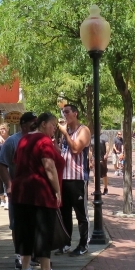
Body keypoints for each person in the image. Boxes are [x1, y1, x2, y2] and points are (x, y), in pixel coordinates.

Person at [13, 113, 66, 270]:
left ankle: (26, 269)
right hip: (41, 192)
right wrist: (57, 191)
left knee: (26, 230)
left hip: (21, 192)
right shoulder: (43, 141)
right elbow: (49, 167)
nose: (54, 129)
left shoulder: (23, 140)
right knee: (44, 231)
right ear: (43, 124)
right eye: (52, 125)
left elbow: (16, 163)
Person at [0, 112, 37, 270]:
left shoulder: (40, 139)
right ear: (23, 125)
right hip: (18, 190)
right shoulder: (12, 142)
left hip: (36, 190)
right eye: (32, 123)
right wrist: (9, 184)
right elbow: (1, 165)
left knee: (34, 223)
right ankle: (19, 256)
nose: (35, 126)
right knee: (17, 224)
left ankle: (31, 254)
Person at [58, 103, 92, 256]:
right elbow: (63, 152)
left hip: (77, 179)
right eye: (63, 112)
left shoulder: (83, 130)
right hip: (64, 178)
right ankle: (65, 242)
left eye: (67, 112)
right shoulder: (66, 132)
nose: (64, 115)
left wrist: (65, 133)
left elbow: (76, 149)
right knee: (64, 212)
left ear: (75, 113)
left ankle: (83, 244)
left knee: (80, 214)